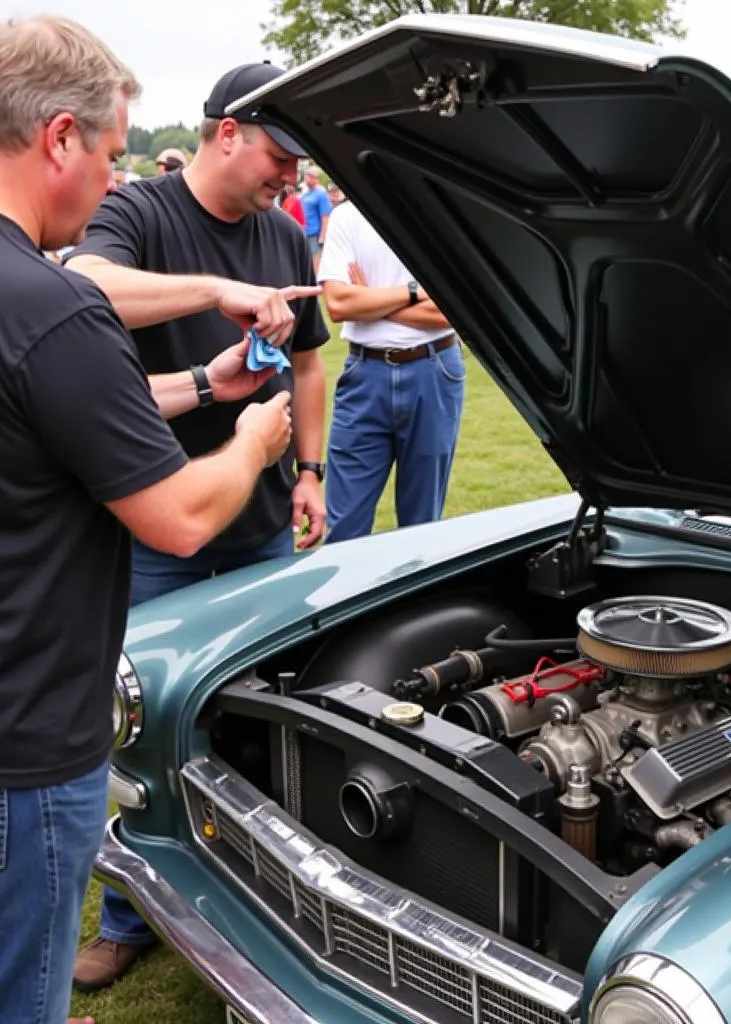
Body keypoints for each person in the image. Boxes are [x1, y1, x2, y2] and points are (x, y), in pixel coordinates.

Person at [0, 16, 293, 1024]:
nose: (110, 184)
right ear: (62, 138)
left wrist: (203, 381)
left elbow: (53, 411)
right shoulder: (54, 303)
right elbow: (173, 518)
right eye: (113, 155)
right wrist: (254, 442)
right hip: (32, 735)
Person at [65, 60, 329, 993]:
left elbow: (306, 366)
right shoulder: (139, 215)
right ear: (228, 132)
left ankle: (257, 900)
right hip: (155, 526)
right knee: (142, 729)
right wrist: (215, 287)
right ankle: (133, 912)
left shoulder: (289, 236)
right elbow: (86, 282)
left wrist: (309, 472)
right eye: (281, 157)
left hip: (257, 521)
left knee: (253, 718)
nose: (291, 179)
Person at [318, 198, 464, 542]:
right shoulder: (347, 216)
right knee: (344, 530)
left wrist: (369, 300)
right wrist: (414, 291)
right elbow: (339, 304)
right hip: (365, 372)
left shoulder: (440, 214)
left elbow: (452, 311)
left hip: (433, 369)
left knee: (421, 527)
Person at [299, 167, 332, 270]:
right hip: (304, 234)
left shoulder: (321, 194)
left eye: (308, 176)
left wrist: (323, 237)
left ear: (315, 178)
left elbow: (325, 216)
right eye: (305, 175)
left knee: (315, 266)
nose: (305, 178)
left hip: (315, 236)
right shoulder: (305, 194)